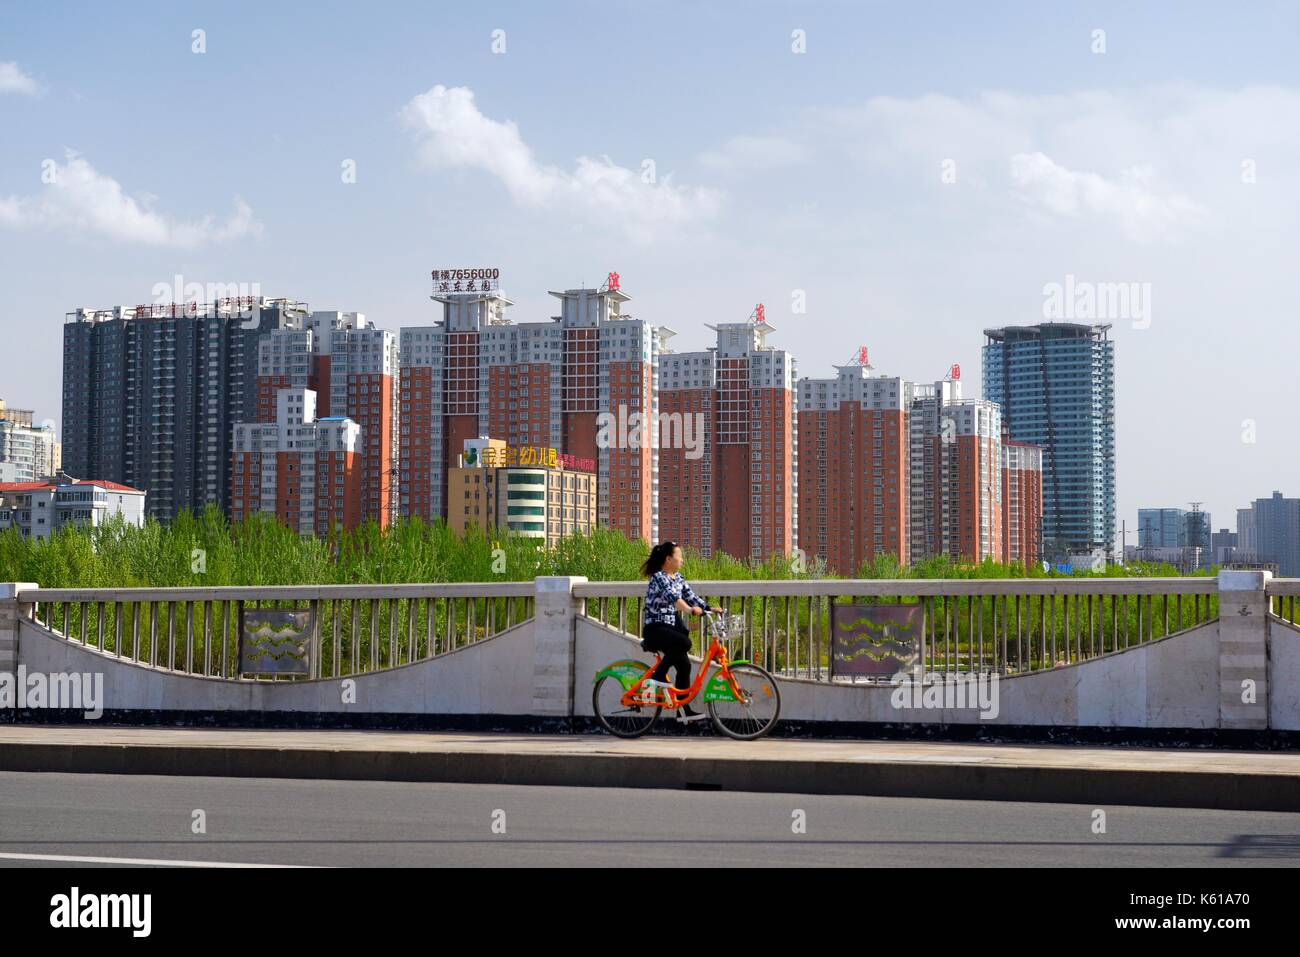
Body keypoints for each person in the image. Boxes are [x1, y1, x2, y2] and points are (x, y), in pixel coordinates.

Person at [640, 541, 720, 723]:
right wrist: (690, 611)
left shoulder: (678, 577)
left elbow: (690, 596)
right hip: (656, 629)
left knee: (685, 666)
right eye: (679, 556)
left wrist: (709, 608)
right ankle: (658, 675)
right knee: (685, 643)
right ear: (669, 559)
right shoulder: (659, 577)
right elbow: (674, 598)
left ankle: (683, 711)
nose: (682, 560)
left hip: (670, 628)